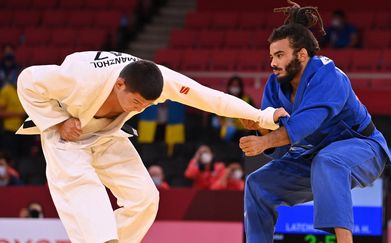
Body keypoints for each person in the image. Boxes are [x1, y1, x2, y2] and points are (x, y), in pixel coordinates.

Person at [15, 50, 287, 243]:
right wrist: (59, 121)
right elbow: (27, 80)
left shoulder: (158, 78)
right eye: (136, 102)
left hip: (108, 133)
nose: (141, 109)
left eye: (147, 105)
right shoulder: (79, 77)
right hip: (67, 138)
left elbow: (208, 97)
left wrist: (262, 116)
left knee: (145, 198)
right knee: (86, 191)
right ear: (119, 84)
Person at [238, 2, 391, 243]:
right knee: (257, 184)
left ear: (301, 55)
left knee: (329, 159)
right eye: (271, 56)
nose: (273, 63)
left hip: (363, 149)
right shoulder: (275, 83)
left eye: (279, 55)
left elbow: (305, 124)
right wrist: (259, 127)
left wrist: (265, 140)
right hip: (310, 158)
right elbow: (277, 135)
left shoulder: (329, 75)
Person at [213, 76, 256, 142]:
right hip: (226, 124)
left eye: (236, 85)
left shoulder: (247, 99)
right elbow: (216, 111)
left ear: (240, 87)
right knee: (215, 121)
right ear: (229, 86)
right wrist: (222, 122)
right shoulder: (224, 98)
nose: (234, 87)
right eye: (233, 85)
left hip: (242, 126)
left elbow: (253, 114)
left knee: (231, 129)